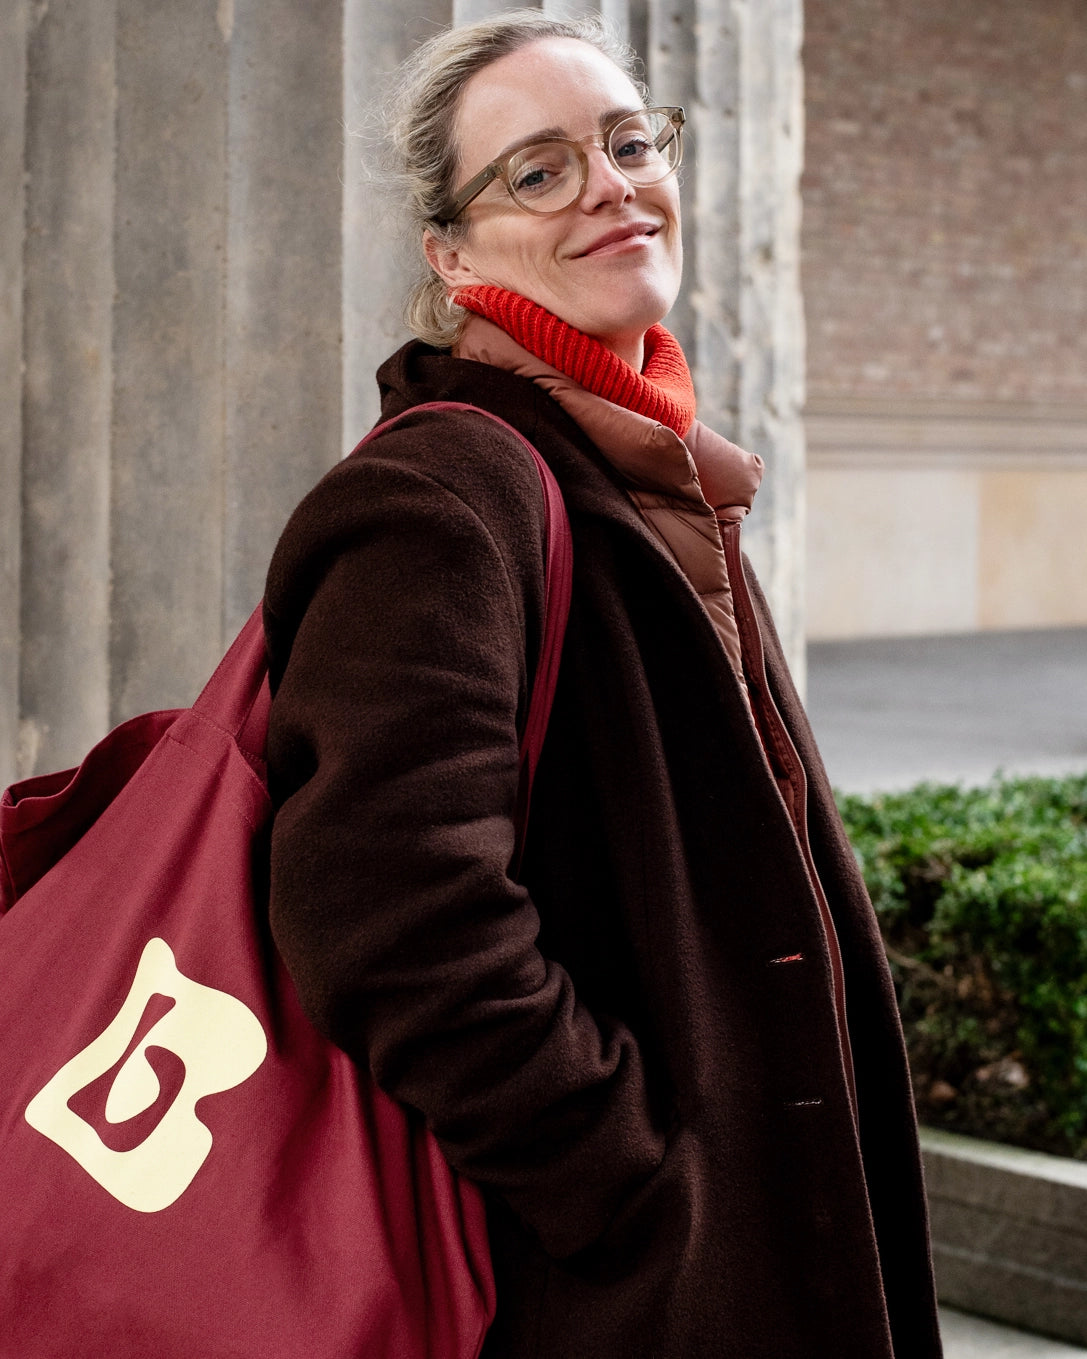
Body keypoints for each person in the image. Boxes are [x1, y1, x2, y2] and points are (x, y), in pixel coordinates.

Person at [262, 11, 943, 1357]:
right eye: (540, 170)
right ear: (450, 255)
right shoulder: (443, 498)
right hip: (620, 1300)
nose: (612, 186)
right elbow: (388, 914)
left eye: (629, 142)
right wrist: (633, 1185)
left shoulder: (646, 465)